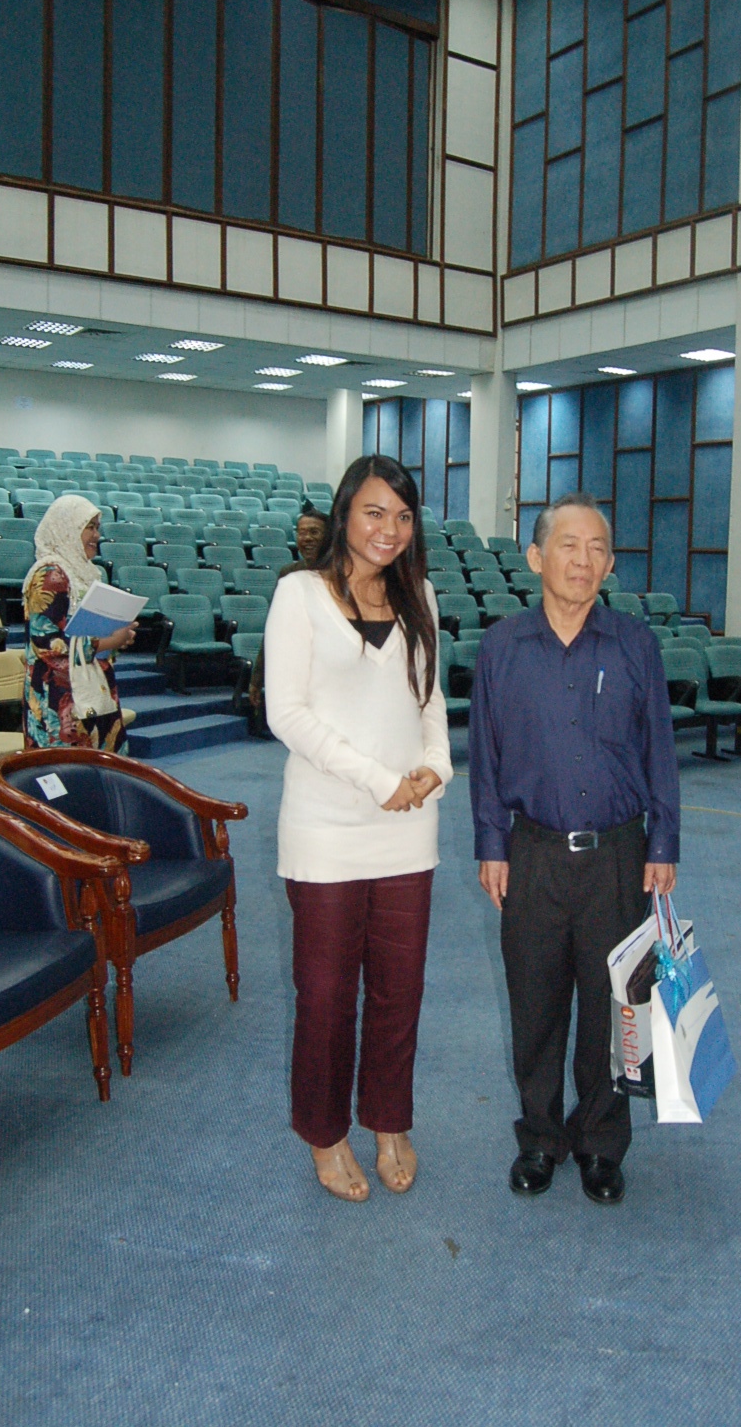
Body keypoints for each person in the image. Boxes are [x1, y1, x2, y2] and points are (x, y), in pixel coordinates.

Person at [468, 492, 680, 1206]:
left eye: (598, 549)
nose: (584, 561)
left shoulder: (635, 646)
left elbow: (660, 752)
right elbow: (486, 758)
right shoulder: (502, 648)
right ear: (536, 557)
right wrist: (491, 844)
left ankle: (600, 1143)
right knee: (534, 1005)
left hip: (618, 856)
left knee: (612, 1006)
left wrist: (663, 840)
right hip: (530, 853)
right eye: (569, 545)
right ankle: (540, 1136)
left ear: (610, 565)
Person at [264, 456, 452, 1202]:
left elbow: (430, 698)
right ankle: (325, 1132)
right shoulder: (299, 595)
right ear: (345, 513)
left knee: (400, 991)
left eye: (403, 517)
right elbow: (287, 713)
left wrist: (436, 767)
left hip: (409, 827)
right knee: (325, 995)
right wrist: (381, 781)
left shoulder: (420, 594)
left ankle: (389, 1121)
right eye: (375, 512)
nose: (389, 530)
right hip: (327, 829)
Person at [22, 495, 137, 752]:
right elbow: (47, 643)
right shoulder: (49, 575)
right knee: (67, 770)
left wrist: (118, 638)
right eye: (89, 527)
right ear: (68, 529)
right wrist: (109, 641)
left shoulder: (85, 573)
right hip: (59, 696)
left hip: (90, 685)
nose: (97, 535)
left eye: (97, 527)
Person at [247, 502, 329, 712]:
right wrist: (258, 678)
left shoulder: (345, 574)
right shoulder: (288, 574)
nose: (307, 538)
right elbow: (274, 631)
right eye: (302, 533)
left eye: (314, 532)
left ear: (329, 537)